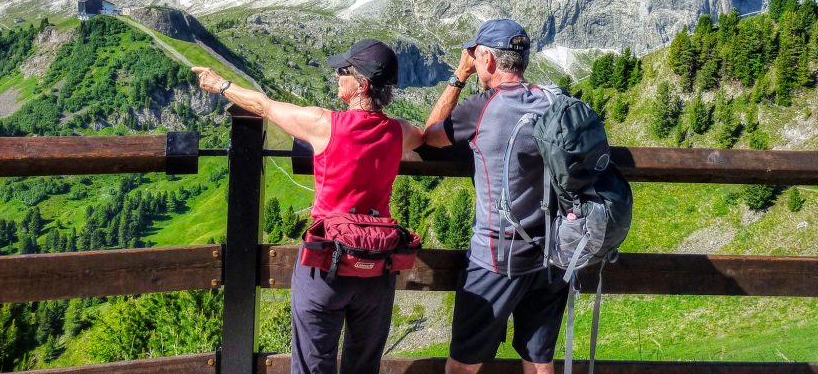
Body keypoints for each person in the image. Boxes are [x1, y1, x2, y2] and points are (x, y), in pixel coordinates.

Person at [193, 39, 424, 374]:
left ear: (361, 84)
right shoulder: (398, 131)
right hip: (376, 268)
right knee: (364, 367)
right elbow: (428, 134)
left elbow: (263, 106)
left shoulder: (324, 124)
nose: (336, 76)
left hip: (327, 263)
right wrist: (457, 79)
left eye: (343, 71)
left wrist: (221, 85)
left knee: (312, 365)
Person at [422, 19, 568, 374]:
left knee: (463, 364)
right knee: (539, 362)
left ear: (486, 59)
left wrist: (459, 75)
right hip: (553, 254)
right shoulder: (554, 99)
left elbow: (429, 135)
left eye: (476, 54)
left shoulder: (482, 107)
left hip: (497, 257)